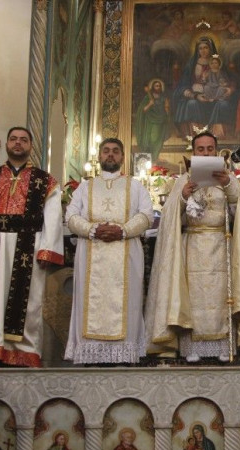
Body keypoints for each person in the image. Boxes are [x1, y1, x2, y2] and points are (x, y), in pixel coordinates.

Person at [145, 131, 240, 362]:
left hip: (221, 246)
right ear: (193, 153)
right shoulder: (183, 181)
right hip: (192, 246)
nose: (205, 153)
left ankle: (224, 346)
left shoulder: (227, 179)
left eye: (209, 149)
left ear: (216, 151)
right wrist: (183, 198)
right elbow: (172, 220)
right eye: (200, 149)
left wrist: (230, 187)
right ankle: (191, 347)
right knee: (193, 298)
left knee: (223, 297)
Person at [0, 126, 64, 367]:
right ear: (6, 144)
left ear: (30, 146)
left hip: (30, 245)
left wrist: (48, 248)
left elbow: (53, 218)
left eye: (23, 140)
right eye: (14, 139)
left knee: (29, 301)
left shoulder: (45, 181)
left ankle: (25, 352)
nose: (18, 143)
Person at [64, 138, 153, 365]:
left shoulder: (135, 186)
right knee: (89, 300)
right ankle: (91, 356)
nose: (110, 155)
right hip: (91, 252)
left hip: (126, 251)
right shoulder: (85, 187)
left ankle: (124, 356)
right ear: (100, 156)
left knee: (128, 301)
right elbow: (71, 216)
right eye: (106, 151)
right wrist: (93, 229)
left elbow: (146, 216)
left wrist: (122, 231)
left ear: (123, 157)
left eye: (115, 152)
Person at [173, 37, 236, 137]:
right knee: (191, 104)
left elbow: (230, 81)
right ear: (197, 50)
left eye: (206, 47)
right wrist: (195, 96)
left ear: (210, 49)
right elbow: (183, 84)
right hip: (197, 95)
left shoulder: (219, 63)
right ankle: (197, 134)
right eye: (200, 48)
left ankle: (217, 134)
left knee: (223, 104)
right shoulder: (191, 64)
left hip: (216, 95)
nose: (203, 50)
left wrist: (229, 89)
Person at [135, 78, 171, 162]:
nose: (158, 87)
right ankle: (149, 158)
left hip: (160, 120)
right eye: (156, 86)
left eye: (159, 86)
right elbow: (142, 110)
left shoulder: (163, 98)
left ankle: (155, 157)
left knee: (158, 140)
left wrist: (167, 109)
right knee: (151, 139)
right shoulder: (148, 97)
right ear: (153, 87)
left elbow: (166, 109)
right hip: (150, 121)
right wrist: (150, 104)